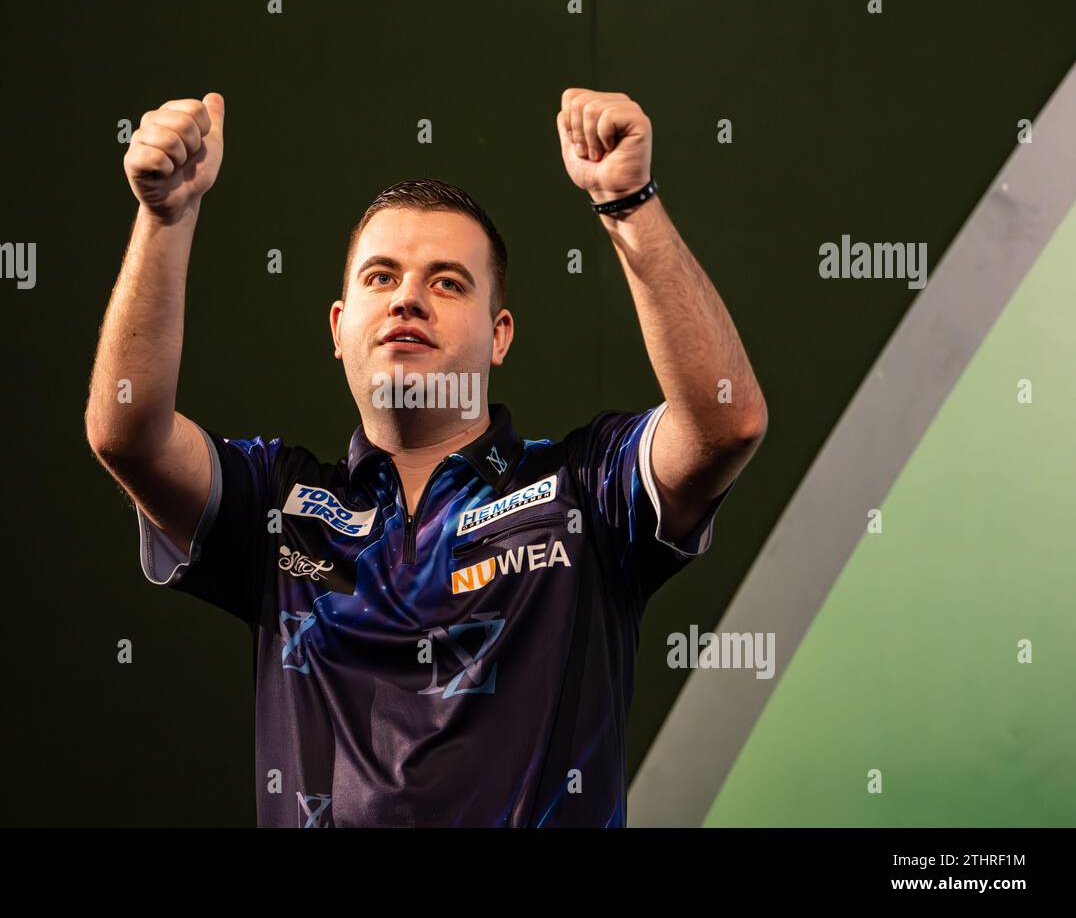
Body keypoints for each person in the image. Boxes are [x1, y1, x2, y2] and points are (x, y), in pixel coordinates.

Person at [84, 88, 768, 827]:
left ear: (499, 336)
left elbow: (725, 420)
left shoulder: (587, 491)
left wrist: (628, 201)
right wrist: (165, 218)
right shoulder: (274, 506)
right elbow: (128, 435)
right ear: (340, 329)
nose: (408, 297)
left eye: (447, 281)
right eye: (382, 276)